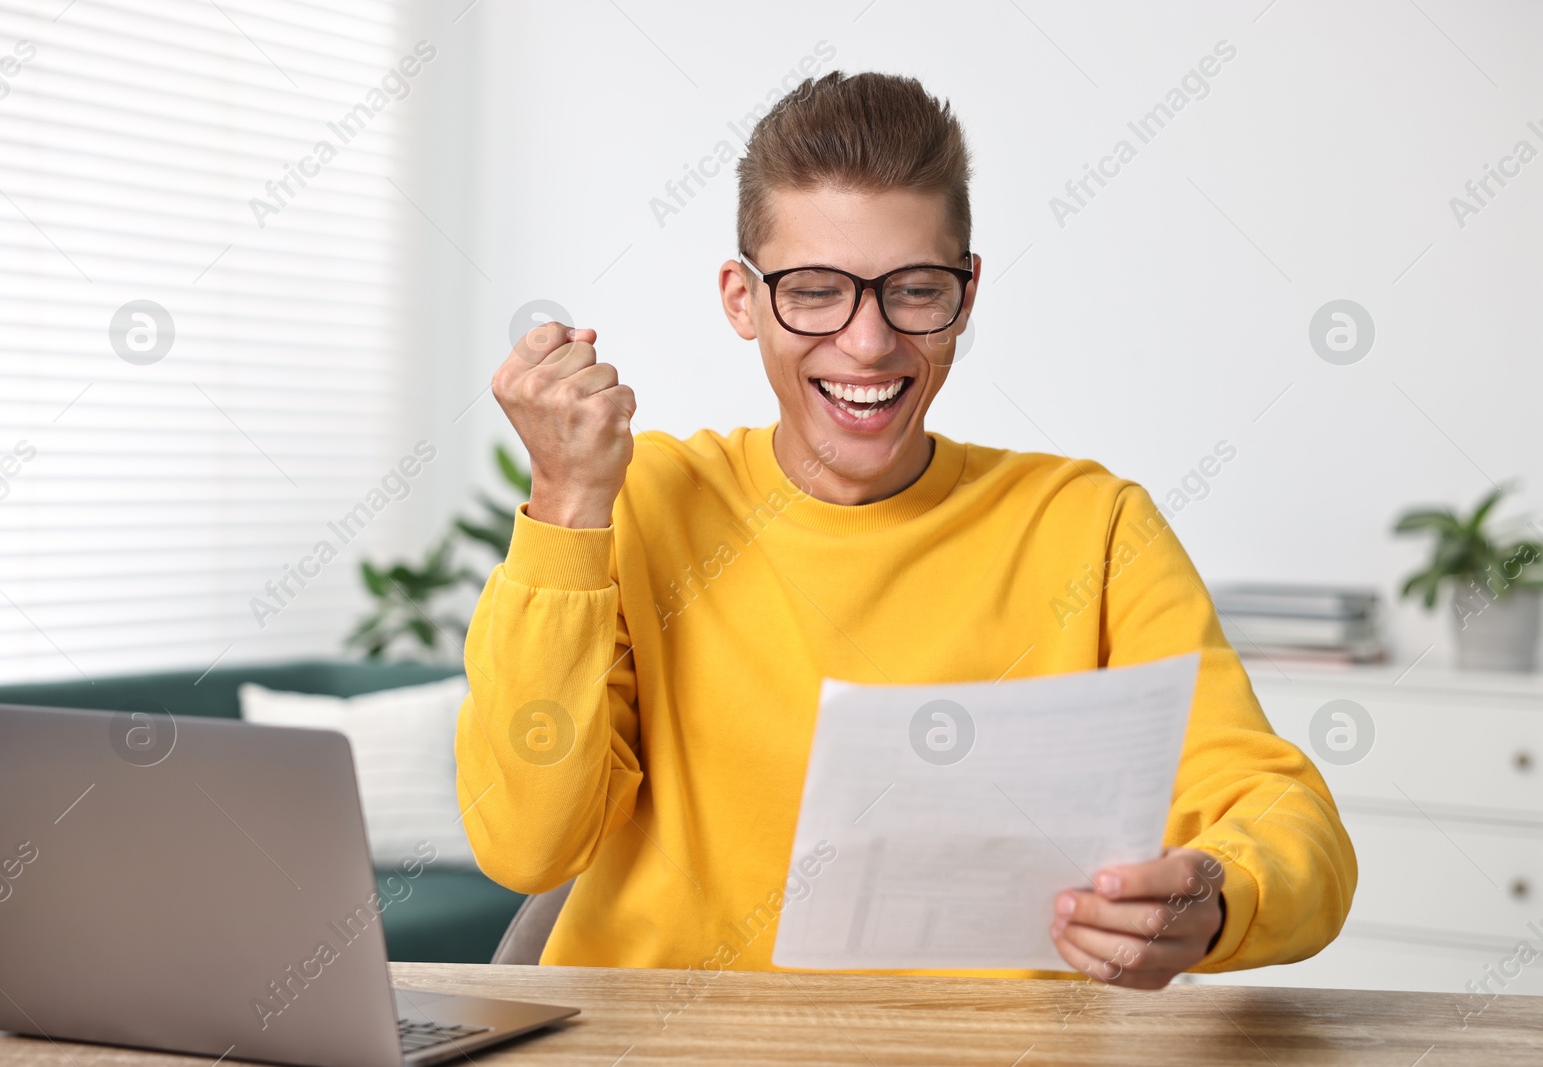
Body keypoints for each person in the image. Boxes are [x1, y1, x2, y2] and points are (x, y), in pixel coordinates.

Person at [456, 71, 1355, 988]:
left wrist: (1217, 895)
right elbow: (528, 845)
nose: (869, 342)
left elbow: (1286, 819)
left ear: (966, 292)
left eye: (914, 290)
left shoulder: (1091, 527)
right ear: (742, 298)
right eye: (814, 291)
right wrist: (567, 503)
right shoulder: (635, 504)